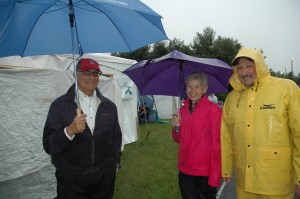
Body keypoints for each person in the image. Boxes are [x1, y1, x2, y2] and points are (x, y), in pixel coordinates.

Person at [221, 47, 300, 199]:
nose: (244, 73)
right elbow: (226, 136)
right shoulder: (232, 99)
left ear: (260, 66)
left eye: (249, 66)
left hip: (276, 185)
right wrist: (226, 168)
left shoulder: (287, 89)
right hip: (244, 183)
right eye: (240, 68)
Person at [43, 58, 122, 199]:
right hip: (71, 178)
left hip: (103, 177)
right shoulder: (59, 105)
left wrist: (114, 163)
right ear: (75, 74)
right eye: (86, 72)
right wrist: (69, 131)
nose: (92, 77)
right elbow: (49, 145)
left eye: (95, 73)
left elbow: (116, 139)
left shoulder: (109, 106)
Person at [172, 72, 222, 199]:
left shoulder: (214, 111)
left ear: (205, 89)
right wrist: (176, 128)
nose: (192, 90)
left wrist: (215, 176)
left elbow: (217, 145)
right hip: (185, 170)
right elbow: (178, 139)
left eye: (197, 86)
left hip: (204, 173)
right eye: (189, 86)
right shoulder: (182, 110)